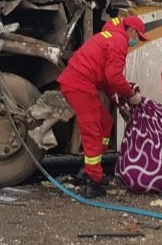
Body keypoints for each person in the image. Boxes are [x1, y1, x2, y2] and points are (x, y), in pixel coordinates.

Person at [57, 15, 148, 197]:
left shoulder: (110, 37)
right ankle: (93, 181)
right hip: (79, 84)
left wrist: (117, 102)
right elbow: (114, 77)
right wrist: (131, 96)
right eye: (138, 36)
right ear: (132, 31)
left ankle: (91, 168)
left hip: (78, 82)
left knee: (105, 123)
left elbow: (107, 80)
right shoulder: (119, 41)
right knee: (93, 131)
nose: (136, 41)